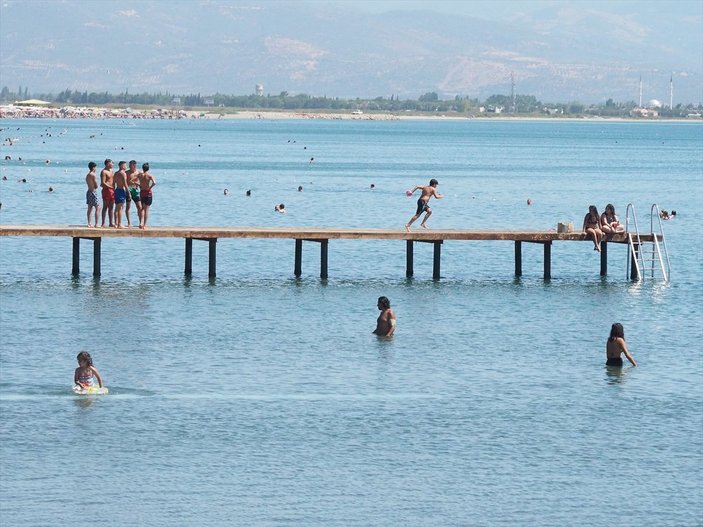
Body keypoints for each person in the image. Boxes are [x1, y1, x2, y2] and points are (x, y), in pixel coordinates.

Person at [138, 163, 156, 229]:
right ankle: (144, 225)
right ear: (148, 168)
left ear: (143, 168)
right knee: (146, 210)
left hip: (142, 192)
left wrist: (139, 185)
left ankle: (140, 223)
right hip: (148, 193)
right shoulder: (150, 175)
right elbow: (154, 183)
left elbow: (133, 180)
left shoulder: (140, 175)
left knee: (142, 208)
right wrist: (150, 187)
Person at [125, 160, 142, 228]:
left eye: (131, 165)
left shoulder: (139, 172)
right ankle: (129, 223)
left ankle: (141, 222)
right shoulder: (126, 172)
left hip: (135, 190)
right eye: (129, 165)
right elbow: (124, 182)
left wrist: (137, 184)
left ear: (134, 165)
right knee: (128, 207)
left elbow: (142, 181)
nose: (129, 166)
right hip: (129, 190)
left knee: (139, 207)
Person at [113, 161, 129, 228]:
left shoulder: (116, 173)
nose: (126, 167)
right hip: (121, 190)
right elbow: (125, 184)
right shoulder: (123, 173)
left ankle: (116, 223)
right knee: (120, 208)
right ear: (121, 166)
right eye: (125, 165)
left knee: (117, 207)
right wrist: (128, 192)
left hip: (116, 190)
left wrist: (114, 191)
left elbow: (114, 183)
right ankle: (119, 224)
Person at [100, 159, 115, 227]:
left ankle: (111, 222)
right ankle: (103, 223)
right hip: (106, 190)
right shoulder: (104, 172)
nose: (113, 164)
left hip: (112, 190)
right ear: (107, 163)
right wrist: (111, 187)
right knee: (105, 206)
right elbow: (103, 183)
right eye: (111, 163)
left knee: (111, 207)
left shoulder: (112, 171)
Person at [85, 161, 100, 227]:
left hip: (88, 191)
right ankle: (96, 223)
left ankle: (89, 223)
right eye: (95, 167)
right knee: (98, 208)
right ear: (93, 167)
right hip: (93, 192)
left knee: (90, 208)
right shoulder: (93, 175)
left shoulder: (87, 175)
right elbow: (96, 185)